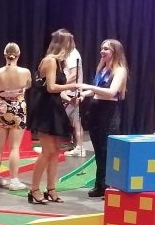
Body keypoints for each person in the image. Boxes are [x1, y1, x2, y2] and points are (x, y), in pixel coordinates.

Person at [26, 30, 77, 204]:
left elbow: (55, 91)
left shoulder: (59, 63)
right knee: (47, 151)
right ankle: (33, 189)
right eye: (70, 44)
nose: (71, 48)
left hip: (53, 107)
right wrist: (73, 85)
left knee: (56, 151)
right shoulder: (50, 61)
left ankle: (51, 188)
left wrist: (70, 98)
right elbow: (51, 88)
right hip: (45, 109)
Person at [81, 39, 128, 198]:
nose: (102, 51)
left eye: (106, 49)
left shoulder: (119, 70)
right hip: (95, 111)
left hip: (108, 113)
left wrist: (89, 87)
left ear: (114, 52)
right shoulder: (101, 69)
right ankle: (100, 185)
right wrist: (83, 94)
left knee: (107, 151)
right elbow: (96, 91)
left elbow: (110, 92)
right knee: (99, 152)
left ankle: (109, 186)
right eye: (102, 48)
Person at [0, 43, 32, 191]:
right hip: (19, 109)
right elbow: (28, 85)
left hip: (1, 108)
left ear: (5, 55)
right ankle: (14, 181)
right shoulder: (25, 72)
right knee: (14, 148)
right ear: (18, 55)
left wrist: (2, 101)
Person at [61, 34, 85, 157]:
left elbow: (74, 74)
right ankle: (77, 146)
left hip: (71, 92)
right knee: (74, 121)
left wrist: (59, 85)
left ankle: (80, 148)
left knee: (76, 121)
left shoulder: (72, 54)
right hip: (69, 91)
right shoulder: (69, 54)